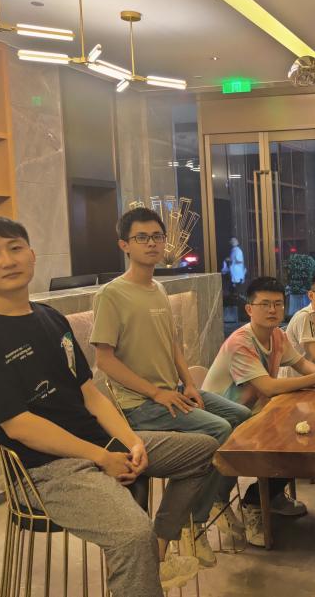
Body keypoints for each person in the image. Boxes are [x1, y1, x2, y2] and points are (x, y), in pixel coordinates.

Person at [0, 216, 217, 595]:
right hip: (46, 469)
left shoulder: (50, 318)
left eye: (15, 248)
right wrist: (101, 457)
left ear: (32, 255)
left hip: (101, 444)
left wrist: (131, 440)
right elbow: (19, 425)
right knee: (132, 534)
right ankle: (146, 551)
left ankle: (159, 547)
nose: (8, 260)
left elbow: (90, 394)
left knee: (205, 450)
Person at [91, 207, 254, 568]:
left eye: (157, 237)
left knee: (243, 417)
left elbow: (174, 345)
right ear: (124, 245)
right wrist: (155, 393)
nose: (151, 243)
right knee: (219, 429)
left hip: (174, 393)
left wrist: (189, 383)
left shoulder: (160, 288)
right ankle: (192, 524)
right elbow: (105, 361)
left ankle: (212, 497)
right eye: (141, 238)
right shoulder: (111, 295)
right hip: (140, 405)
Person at [202, 276, 315, 546]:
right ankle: (248, 503)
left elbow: (301, 364)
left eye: (278, 304)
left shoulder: (278, 335)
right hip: (223, 420)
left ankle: (270, 496)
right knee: (292, 440)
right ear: (249, 309)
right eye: (265, 304)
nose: (272, 310)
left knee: (307, 434)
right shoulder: (240, 342)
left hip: (256, 413)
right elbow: (268, 386)